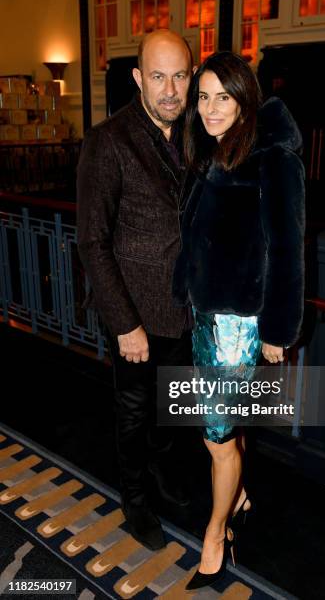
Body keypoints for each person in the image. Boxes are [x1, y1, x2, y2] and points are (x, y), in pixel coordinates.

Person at [173, 51, 305, 589]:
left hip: (240, 326)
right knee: (220, 432)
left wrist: (277, 331)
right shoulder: (212, 153)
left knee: (217, 437)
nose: (209, 107)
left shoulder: (272, 157)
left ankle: (214, 533)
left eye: (221, 96)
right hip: (207, 317)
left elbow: (289, 247)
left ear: (245, 98)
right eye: (202, 97)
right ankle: (240, 496)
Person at [77, 30, 195, 552]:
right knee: (133, 411)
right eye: (158, 76)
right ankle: (135, 499)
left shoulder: (197, 131)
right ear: (137, 78)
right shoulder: (109, 140)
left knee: (173, 407)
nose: (170, 89)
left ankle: (162, 476)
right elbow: (92, 241)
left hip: (186, 310)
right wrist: (125, 323)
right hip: (136, 317)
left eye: (180, 75)